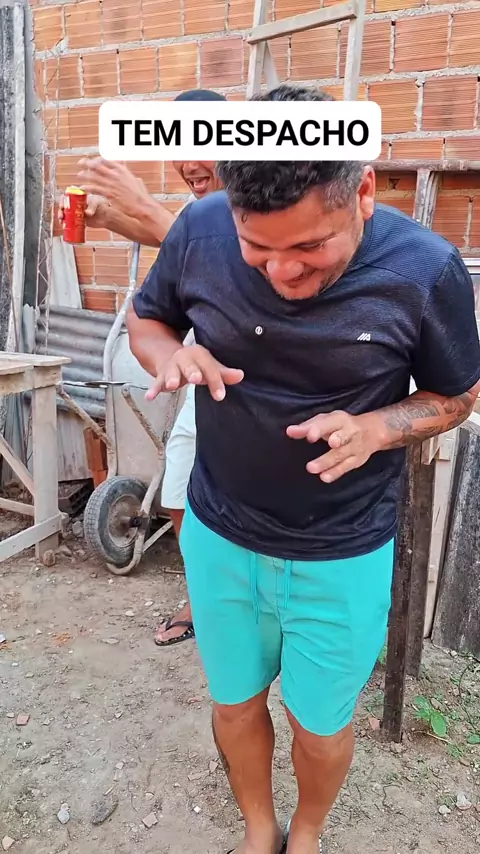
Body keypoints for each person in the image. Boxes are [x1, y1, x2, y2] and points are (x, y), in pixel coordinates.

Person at [126, 82, 480, 854]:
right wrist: (169, 354)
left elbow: (457, 394)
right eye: (258, 250)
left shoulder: (425, 270)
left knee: (319, 728)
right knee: (234, 704)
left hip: (342, 551)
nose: (281, 274)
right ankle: (260, 829)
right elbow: (147, 319)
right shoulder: (200, 229)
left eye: (310, 248)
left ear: (364, 193)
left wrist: (378, 427)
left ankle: (308, 832)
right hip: (220, 534)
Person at [62, 89, 226, 646]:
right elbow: (175, 236)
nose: (187, 162)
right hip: (204, 375)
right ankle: (205, 596)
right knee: (177, 493)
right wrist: (111, 215)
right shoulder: (200, 206)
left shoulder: (254, 199)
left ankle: (231, 606)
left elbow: (201, 244)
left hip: (253, 382)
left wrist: (135, 200)